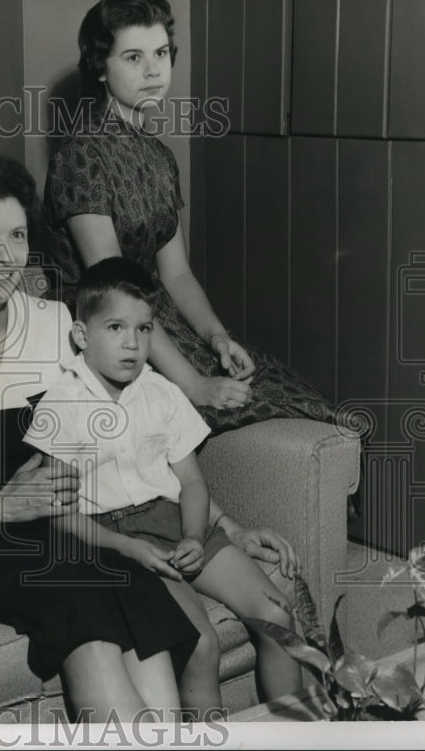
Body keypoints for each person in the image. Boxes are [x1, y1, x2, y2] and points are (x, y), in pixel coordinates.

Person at [0, 155, 296, 723]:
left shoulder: (60, 328)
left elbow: (140, 439)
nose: (2, 254)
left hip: (79, 526)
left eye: (15, 235)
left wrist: (228, 525)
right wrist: (0, 503)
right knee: (85, 601)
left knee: (146, 606)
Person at [42, 0, 336, 434]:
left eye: (161, 53)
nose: (154, 69)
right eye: (133, 57)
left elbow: (176, 273)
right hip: (108, 331)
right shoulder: (80, 156)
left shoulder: (159, 157)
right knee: (247, 405)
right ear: (101, 67)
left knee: (299, 397)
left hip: (157, 321)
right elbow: (114, 290)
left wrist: (218, 337)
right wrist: (195, 385)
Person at [23, 257, 301, 712]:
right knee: (199, 643)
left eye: (144, 329)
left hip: (178, 523)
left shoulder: (162, 392)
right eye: (115, 328)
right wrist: (127, 548)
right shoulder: (62, 404)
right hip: (117, 541)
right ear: (81, 335)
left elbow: (191, 481)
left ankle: (295, 737)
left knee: (277, 615)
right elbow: (60, 513)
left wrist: (195, 534)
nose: (132, 344)